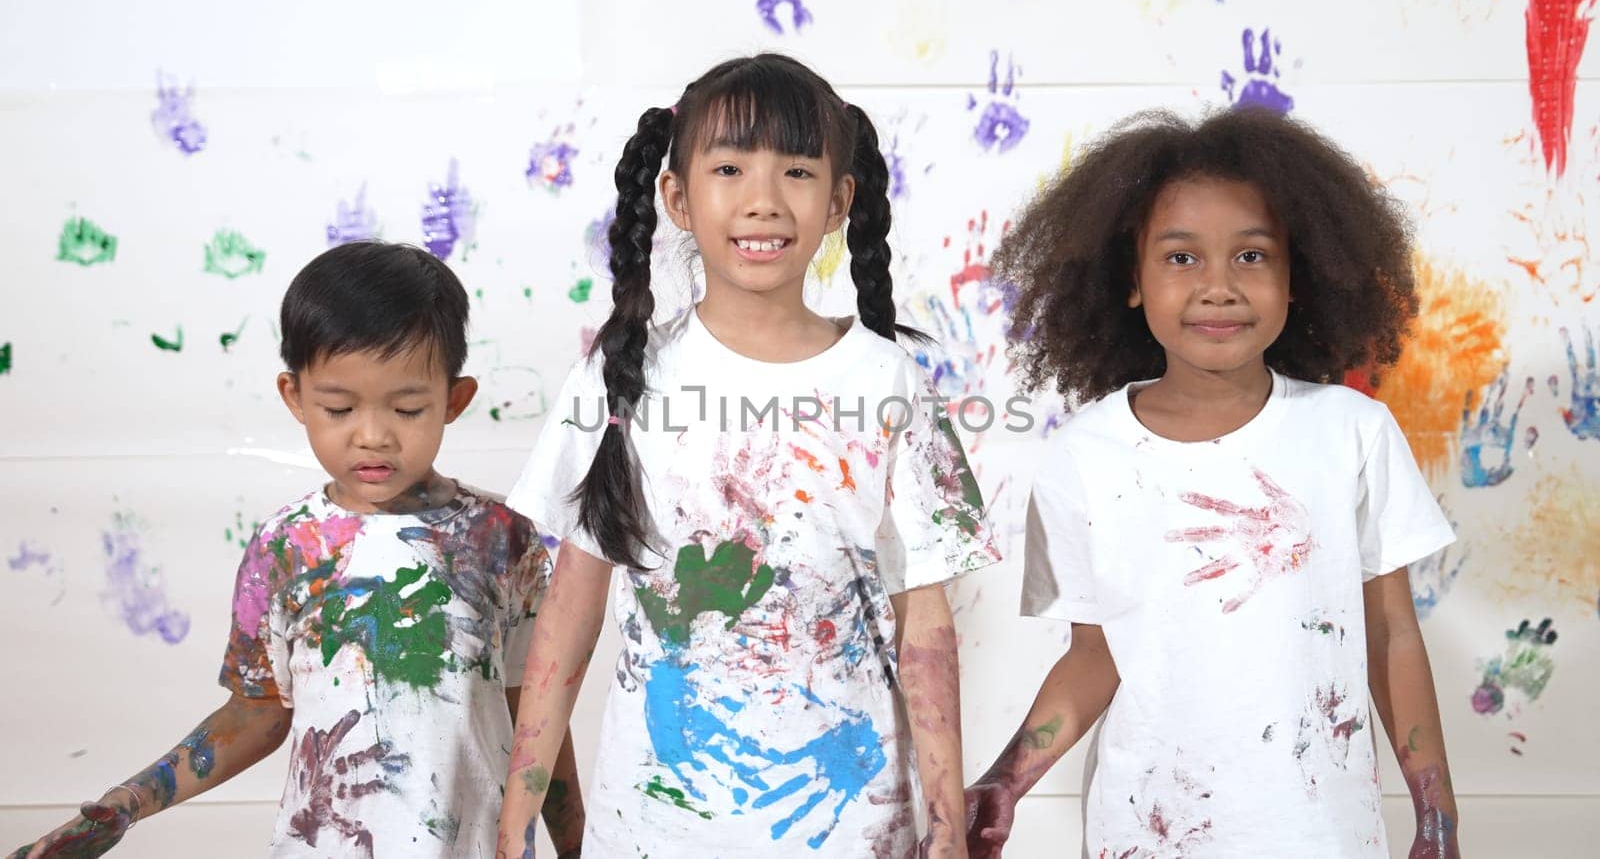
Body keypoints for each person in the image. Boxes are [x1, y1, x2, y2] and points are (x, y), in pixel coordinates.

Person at [495, 54, 1002, 858]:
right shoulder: (620, 377)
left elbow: (926, 622)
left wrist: (945, 824)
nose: (762, 200)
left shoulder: (888, 380)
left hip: (850, 825)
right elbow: (571, 605)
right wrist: (518, 806)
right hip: (655, 829)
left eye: (797, 171)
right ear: (677, 198)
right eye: (729, 168)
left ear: (840, 201)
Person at [965, 107, 1461, 858]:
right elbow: (1098, 655)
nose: (1218, 286)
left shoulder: (1349, 433)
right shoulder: (1087, 456)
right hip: (1149, 831)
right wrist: (1007, 778)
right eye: (1181, 258)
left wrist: (1437, 813)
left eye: (1253, 256)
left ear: (1300, 277)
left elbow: (1390, 634)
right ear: (1130, 280)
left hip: (1321, 835)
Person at [12, 241, 583, 859]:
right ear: (294, 397)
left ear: (454, 399)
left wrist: (579, 846)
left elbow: (538, 715)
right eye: (338, 408)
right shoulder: (284, 549)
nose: (373, 435)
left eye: (408, 408)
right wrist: (128, 803)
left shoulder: (501, 538)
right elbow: (255, 715)